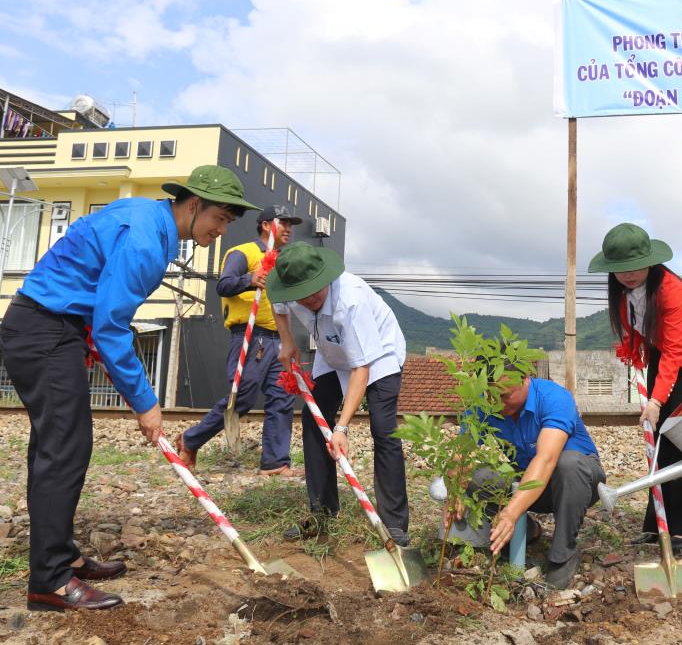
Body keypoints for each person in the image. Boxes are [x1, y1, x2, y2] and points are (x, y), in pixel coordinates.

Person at [0, 165, 257, 611]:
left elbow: (97, 302)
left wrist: (93, 343)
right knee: (64, 450)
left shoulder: (144, 216)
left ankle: (62, 557)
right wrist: (146, 403)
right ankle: (49, 582)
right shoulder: (145, 240)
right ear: (193, 205)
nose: (221, 230)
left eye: (228, 224)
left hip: (52, 328)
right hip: (44, 329)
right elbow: (112, 324)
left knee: (60, 448)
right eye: (219, 219)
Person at [588, 223, 682, 553]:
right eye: (620, 269)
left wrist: (656, 399)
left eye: (635, 266)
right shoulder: (623, 295)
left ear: (650, 260)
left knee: (680, 441)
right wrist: (636, 360)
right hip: (662, 357)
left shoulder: (671, 289)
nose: (628, 275)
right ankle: (657, 523)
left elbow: (676, 350)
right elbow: (643, 337)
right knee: (658, 443)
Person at [268, 243, 410, 545]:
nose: (311, 300)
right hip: (332, 352)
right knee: (313, 419)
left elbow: (362, 369)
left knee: (383, 430)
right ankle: (321, 512)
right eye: (303, 297)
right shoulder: (288, 290)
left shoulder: (351, 301)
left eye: (316, 293)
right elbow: (277, 306)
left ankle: (394, 523)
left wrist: (342, 428)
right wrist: (287, 342)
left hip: (378, 354)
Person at [175, 205, 302, 476]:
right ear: (267, 225)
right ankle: (191, 440)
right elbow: (224, 284)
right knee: (241, 398)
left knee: (282, 397)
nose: (290, 229)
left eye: (292, 224)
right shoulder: (243, 252)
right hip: (250, 336)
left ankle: (275, 463)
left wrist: (289, 341)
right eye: (285, 223)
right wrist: (251, 278)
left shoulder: (282, 260)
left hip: (277, 339)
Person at [449, 375, 606, 589]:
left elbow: (546, 459)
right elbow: (462, 455)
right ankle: (529, 531)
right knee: (478, 477)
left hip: (578, 481)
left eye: (504, 395)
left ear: (524, 379)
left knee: (568, 463)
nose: (497, 403)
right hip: (528, 481)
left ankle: (562, 554)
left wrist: (510, 513)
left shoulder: (554, 398)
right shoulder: (482, 404)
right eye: (490, 395)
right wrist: (455, 492)